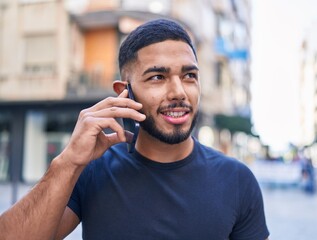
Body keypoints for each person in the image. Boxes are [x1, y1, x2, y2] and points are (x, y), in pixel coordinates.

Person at [0, 19, 269, 240]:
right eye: (157, 77)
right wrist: (68, 162)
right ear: (124, 93)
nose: (178, 91)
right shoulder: (93, 171)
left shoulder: (237, 180)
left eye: (189, 75)